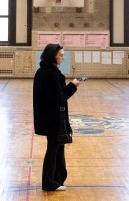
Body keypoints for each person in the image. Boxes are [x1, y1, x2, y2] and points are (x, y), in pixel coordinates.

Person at [33, 44, 82, 191]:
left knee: (58, 148)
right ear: (53, 56)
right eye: (61, 55)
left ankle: (57, 179)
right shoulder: (51, 74)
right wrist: (73, 86)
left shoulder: (43, 71)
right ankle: (49, 183)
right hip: (53, 119)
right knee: (53, 149)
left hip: (49, 118)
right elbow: (59, 98)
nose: (63, 57)